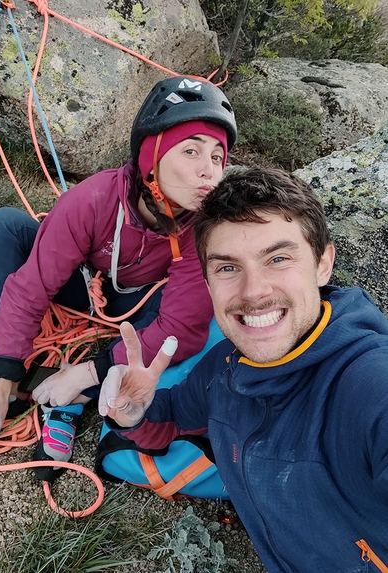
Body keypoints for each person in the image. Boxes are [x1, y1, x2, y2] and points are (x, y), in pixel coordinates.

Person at [99, 167, 388, 573]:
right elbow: (174, 418)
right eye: (228, 268)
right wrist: (136, 413)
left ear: (323, 264)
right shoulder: (223, 371)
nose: (254, 291)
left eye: (279, 258)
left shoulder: (370, 386)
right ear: (207, 280)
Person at [0, 75, 237, 483]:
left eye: (217, 157)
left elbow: (180, 328)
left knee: (193, 315)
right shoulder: (91, 200)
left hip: (134, 303)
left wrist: (91, 371)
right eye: (191, 151)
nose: (207, 172)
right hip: (83, 282)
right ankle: (4, 384)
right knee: (3, 225)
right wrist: (1, 381)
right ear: (150, 156)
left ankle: (70, 398)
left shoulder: (201, 230)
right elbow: (31, 286)